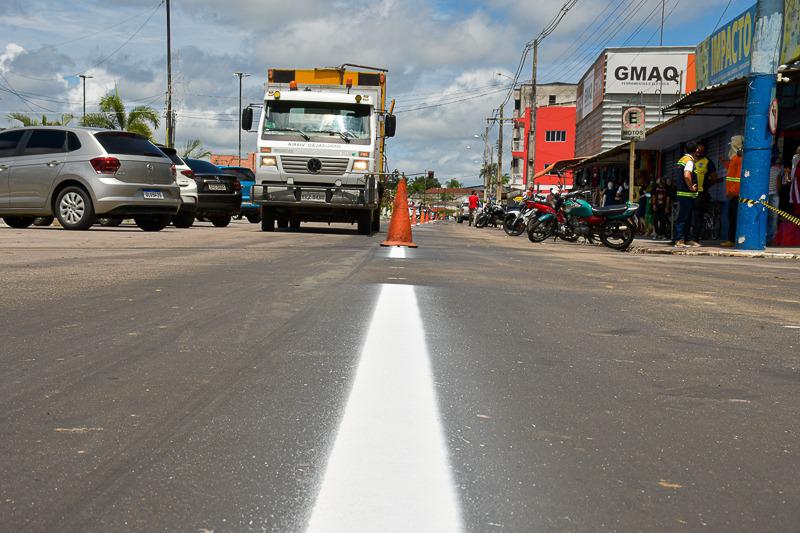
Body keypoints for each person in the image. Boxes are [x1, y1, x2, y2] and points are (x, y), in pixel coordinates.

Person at [690, 143, 717, 244]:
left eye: (701, 151)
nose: (699, 152)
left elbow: (714, 178)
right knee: (687, 215)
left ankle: (695, 238)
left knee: (698, 216)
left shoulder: (708, 162)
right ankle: (684, 237)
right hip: (688, 193)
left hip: (701, 194)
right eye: (697, 150)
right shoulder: (689, 160)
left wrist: (705, 187)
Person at [675, 141, 699, 247]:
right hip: (686, 194)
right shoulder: (689, 161)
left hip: (683, 193)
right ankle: (679, 239)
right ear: (696, 150)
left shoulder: (682, 159)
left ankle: (687, 239)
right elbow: (686, 175)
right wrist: (691, 187)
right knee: (683, 217)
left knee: (687, 217)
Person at [721, 135, 743, 247]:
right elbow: (732, 171)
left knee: (734, 217)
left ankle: (733, 239)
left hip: (736, 194)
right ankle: (731, 239)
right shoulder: (735, 158)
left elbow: (739, 178)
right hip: (733, 194)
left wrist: (732, 191)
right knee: (732, 217)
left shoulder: (739, 158)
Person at [767, 155, 783, 244]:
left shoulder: (766, 169)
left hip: (765, 195)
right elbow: (778, 184)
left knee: (765, 216)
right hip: (773, 195)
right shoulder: (778, 170)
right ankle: (771, 238)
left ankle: (765, 236)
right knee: (773, 218)